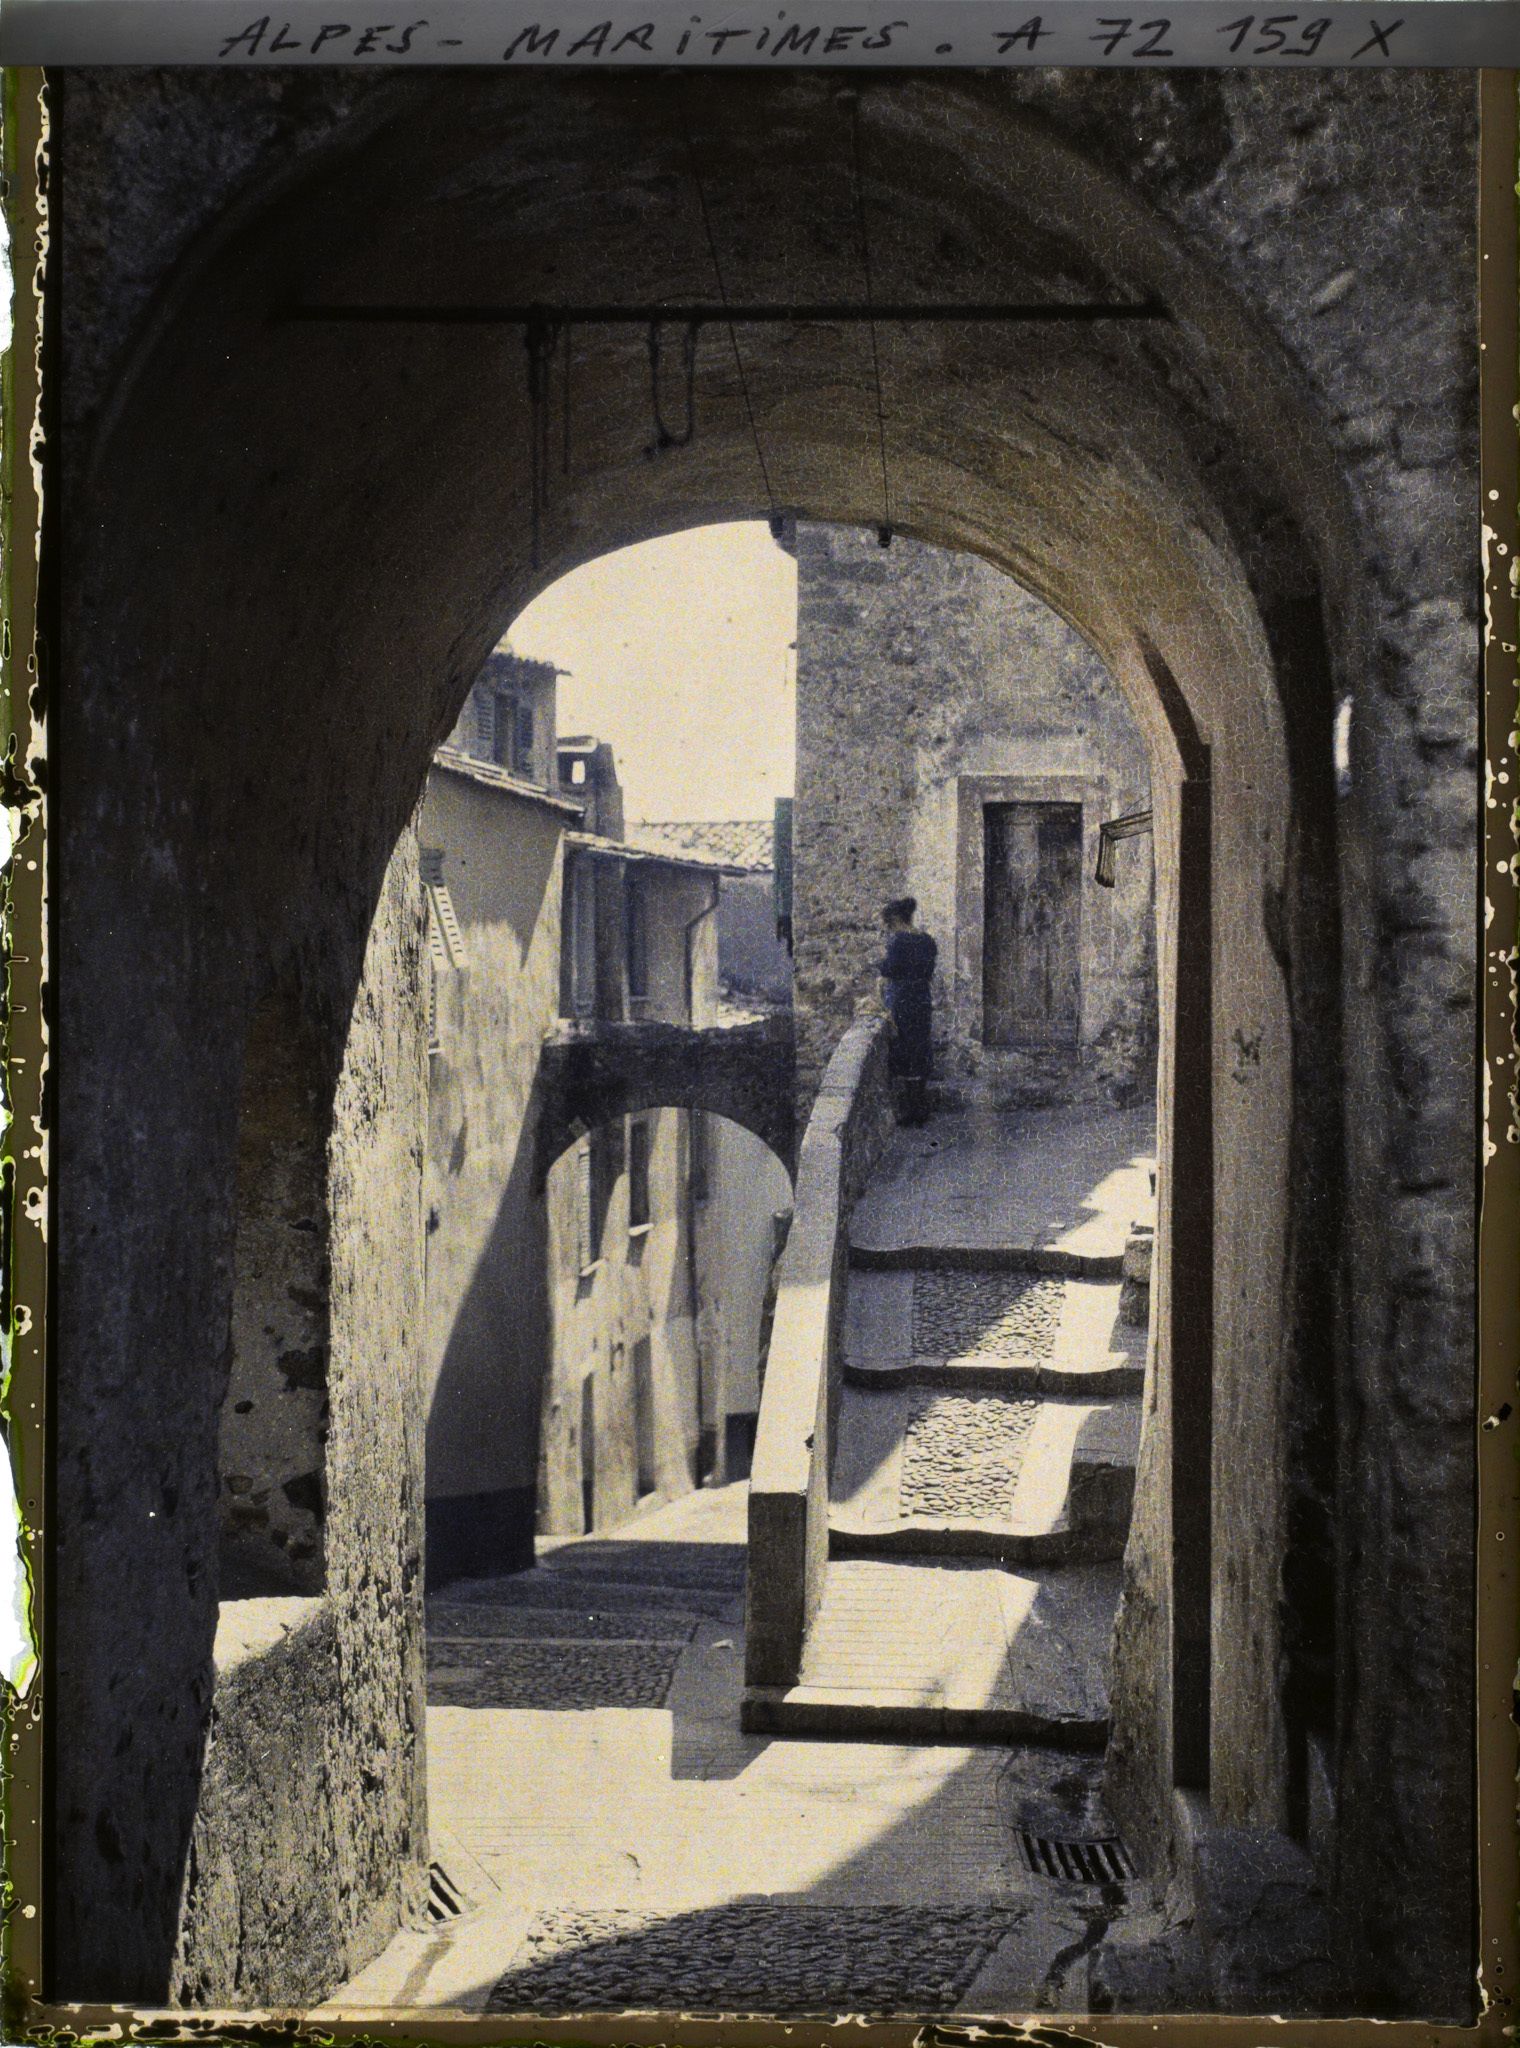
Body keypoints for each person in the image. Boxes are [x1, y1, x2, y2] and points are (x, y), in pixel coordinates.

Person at [878, 896, 937, 1126]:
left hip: (903, 1001)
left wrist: (881, 965)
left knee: (905, 1050)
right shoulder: (927, 941)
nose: (889, 930)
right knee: (920, 1049)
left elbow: (888, 969)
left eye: (889, 925)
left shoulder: (899, 942)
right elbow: (929, 971)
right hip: (922, 999)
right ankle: (920, 1108)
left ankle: (912, 1111)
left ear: (895, 921)